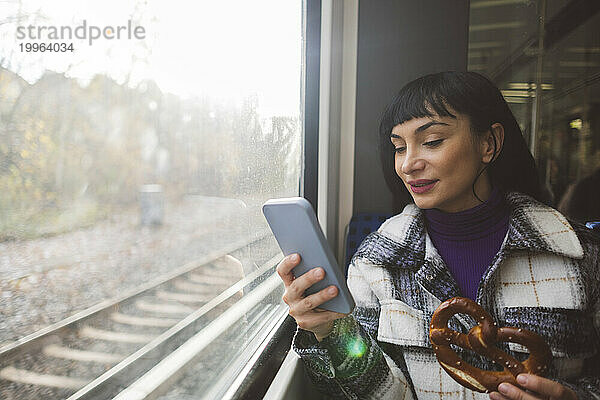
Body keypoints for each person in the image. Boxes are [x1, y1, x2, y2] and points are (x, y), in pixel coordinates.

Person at [276, 71, 600, 399]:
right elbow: (375, 394)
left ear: (488, 143)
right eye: (399, 148)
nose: (408, 164)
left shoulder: (582, 255)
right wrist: (329, 331)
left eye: (431, 142)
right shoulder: (377, 261)